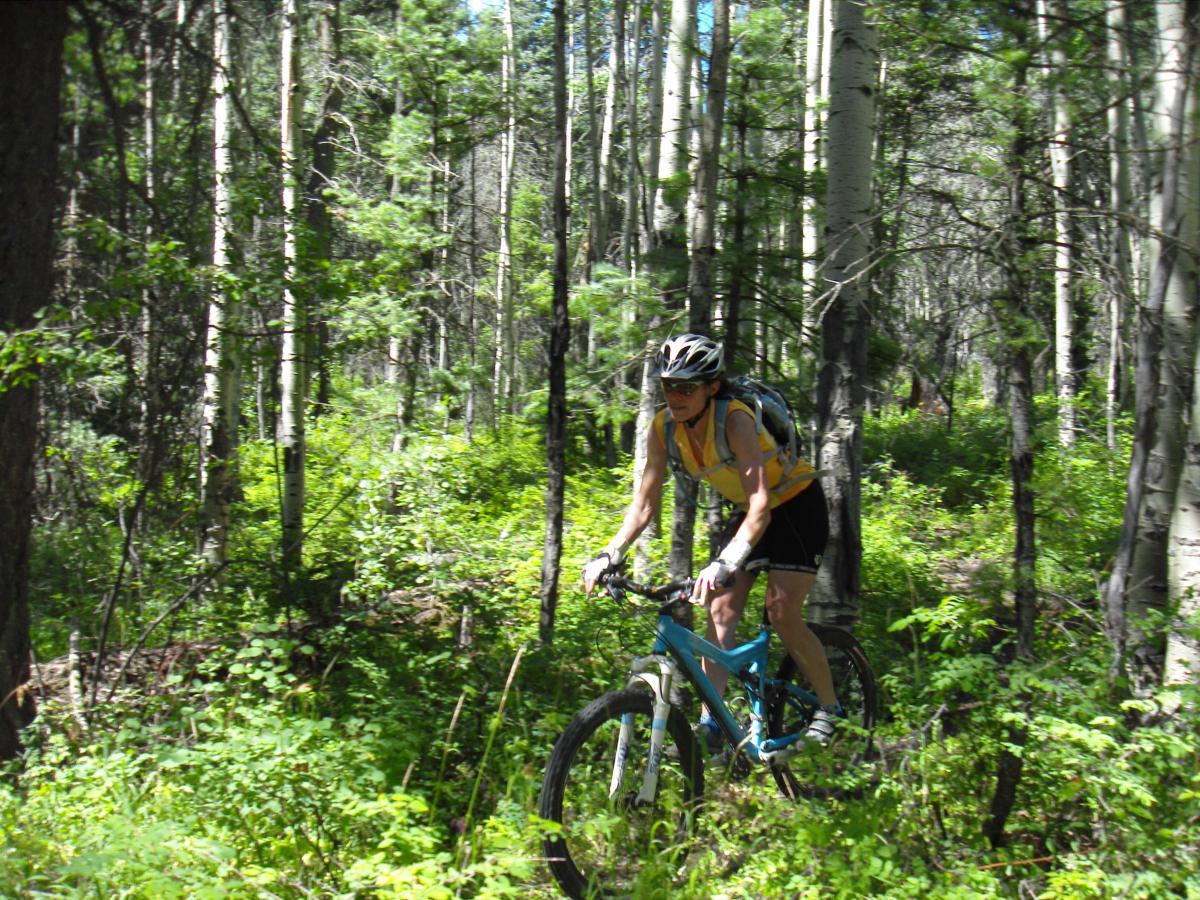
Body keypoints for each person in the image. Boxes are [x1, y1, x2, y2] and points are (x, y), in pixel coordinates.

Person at [582, 333, 842, 747]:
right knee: (719, 609)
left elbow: (762, 507)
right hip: (751, 513)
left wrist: (727, 561)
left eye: (687, 387)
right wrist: (609, 553)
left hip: (794, 507)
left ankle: (829, 711)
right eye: (670, 386)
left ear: (712, 387)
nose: (676, 396)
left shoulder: (735, 420)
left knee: (781, 611)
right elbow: (643, 507)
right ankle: (714, 724)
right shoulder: (663, 428)